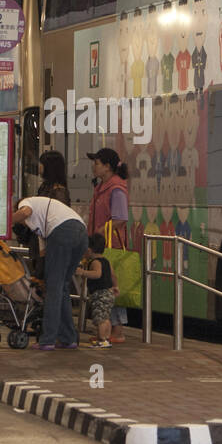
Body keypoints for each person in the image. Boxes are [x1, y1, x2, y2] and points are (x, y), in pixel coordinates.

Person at [11, 195, 88, 350]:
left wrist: (5, 221)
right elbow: (44, 253)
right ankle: (68, 338)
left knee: (53, 288)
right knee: (62, 287)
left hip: (63, 232)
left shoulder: (26, 202)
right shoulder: (43, 224)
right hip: (81, 233)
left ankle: (48, 340)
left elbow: (25, 212)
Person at [85, 147, 130, 343]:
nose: (93, 167)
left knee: (110, 287)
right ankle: (106, 330)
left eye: (97, 163)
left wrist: (99, 232)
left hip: (111, 247)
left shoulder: (116, 189)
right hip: (101, 247)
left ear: (108, 166)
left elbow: (120, 218)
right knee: (103, 289)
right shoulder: (102, 187)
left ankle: (117, 330)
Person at [77, 234, 116, 349]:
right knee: (106, 318)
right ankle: (106, 338)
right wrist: (116, 286)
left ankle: (102, 339)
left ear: (89, 250)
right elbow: (113, 275)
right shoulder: (106, 261)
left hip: (101, 294)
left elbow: (97, 274)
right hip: (108, 292)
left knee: (100, 319)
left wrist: (83, 272)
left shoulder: (95, 262)